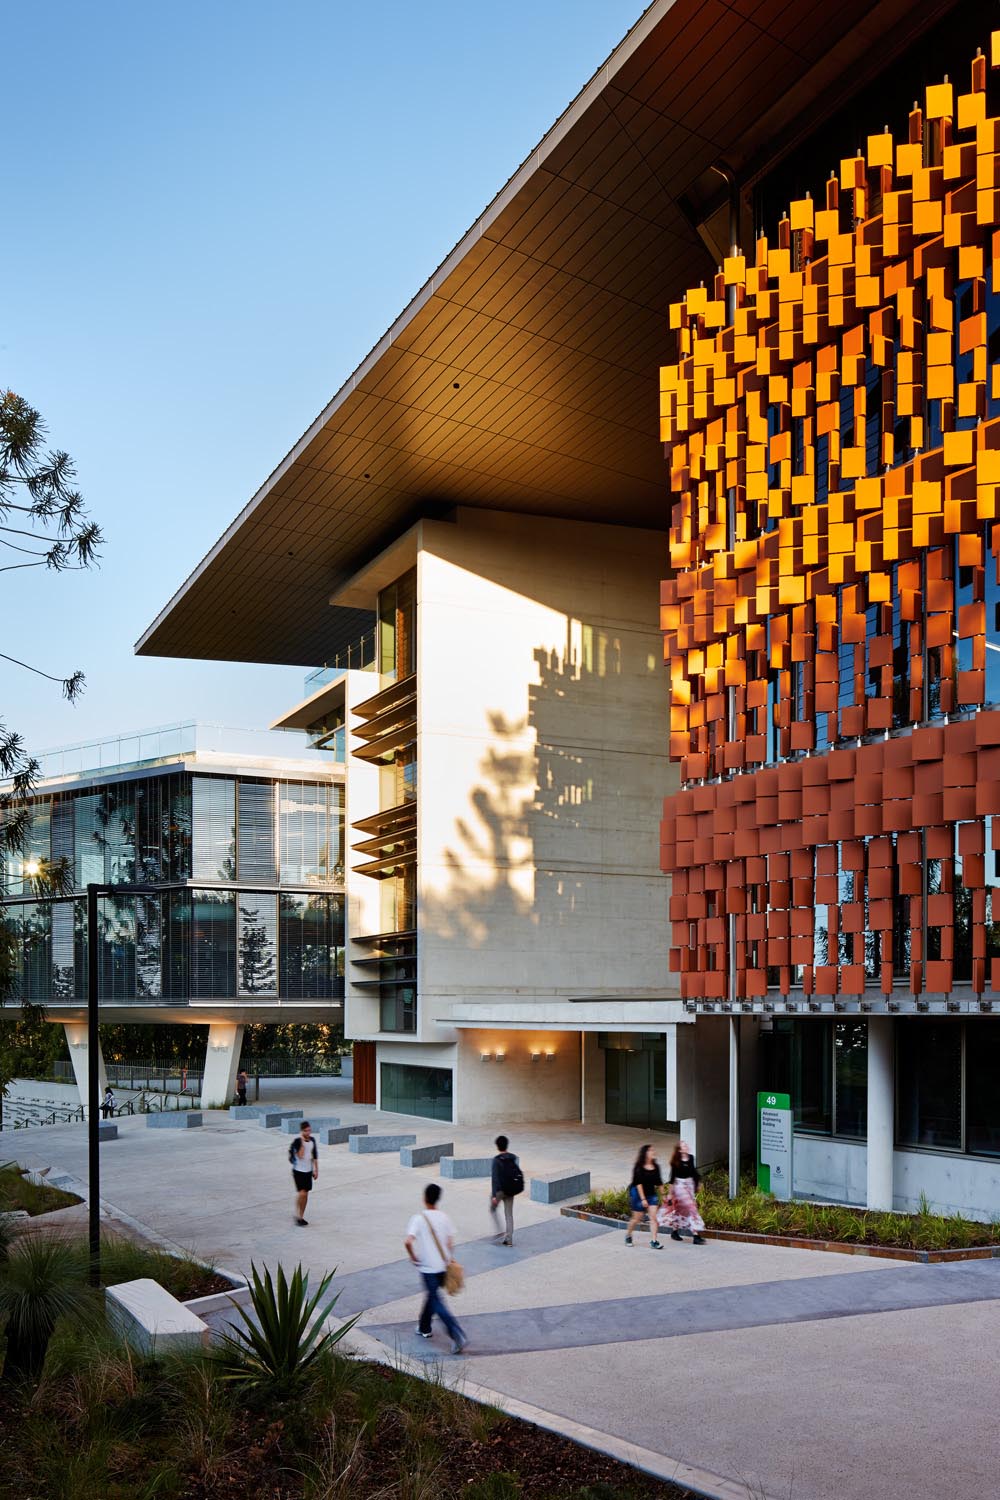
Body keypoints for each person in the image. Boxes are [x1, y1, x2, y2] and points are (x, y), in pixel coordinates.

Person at [405, 1183, 467, 1354]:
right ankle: (424, 1326)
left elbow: (408, 1241)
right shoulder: (444, 1217)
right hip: (442, 1266)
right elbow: (449, 1244)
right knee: (432, 1297)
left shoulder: (419, 1219)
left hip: (427, 1268)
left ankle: (456, 1333)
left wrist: (412, 1256)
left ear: (424, 1198)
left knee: (436, 1301)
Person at [661, 1140, 706, 1244]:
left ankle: (674, 1232)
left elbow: (694, 1172)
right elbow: (672, 1179)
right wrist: (670, 1194)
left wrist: (698, 1183)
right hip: (680, 1187)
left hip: (689, 1186)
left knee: (680, 1211)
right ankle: (696, 1236)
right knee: (692, 1208)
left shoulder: (690, 1158)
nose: (686, 1147)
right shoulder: (675, 1162)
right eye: (683, 1146)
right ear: (680, 1150)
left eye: (686, 1145)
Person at [625, 1142, 664, 1248]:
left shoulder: (656, 1167)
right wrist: (643, 1199)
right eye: (651, 1150)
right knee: (637, 1218)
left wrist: (664, 1196)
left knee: (653, 1218)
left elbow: (659, 1182)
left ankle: (654, 1241)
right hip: (638, 1194)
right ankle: (628, 1235)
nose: (653, 1152)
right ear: (645, 1153)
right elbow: (638, 1184)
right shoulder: (639, 1167)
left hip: (651, 1194)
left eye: (653, 1150)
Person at [490, 1134, 524, 1245]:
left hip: (500, 1190)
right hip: (511, 1189)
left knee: (493, 1209)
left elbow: (495, 1179)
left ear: (497, 1146)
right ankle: (509, 1239)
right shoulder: (512, 1157)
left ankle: (500, 1231)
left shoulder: (496, 1160)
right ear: (506, 1145)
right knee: (509, 1214)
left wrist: (495, 1196)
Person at [288, 1121, 318, 1225]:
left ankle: (301, 1216)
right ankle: (297, 1214)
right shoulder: (297, 1141)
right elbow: (300, 1156)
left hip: (308, 1171)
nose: (308, 1132)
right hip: (298, 1171)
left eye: (309, 1130)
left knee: (306, 1195)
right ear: (302, 1131)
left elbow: (314, 1156)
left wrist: (316, 1170)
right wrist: (302, 1143)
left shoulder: (313, 1140)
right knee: (302, 1193)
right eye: (306, 1131)